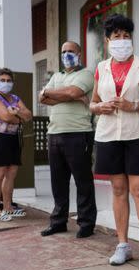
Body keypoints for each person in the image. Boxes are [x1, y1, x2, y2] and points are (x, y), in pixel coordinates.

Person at [90, 14, 139, 268]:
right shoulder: (101, 68)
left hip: (138, 134)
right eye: (116, 36)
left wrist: (133, 105)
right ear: (107, 39)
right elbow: (93, 101)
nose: (122, 40)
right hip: (109, 135)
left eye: (126, 36)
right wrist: (99, 108)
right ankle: (123, 244)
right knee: (118, 189)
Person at [38, 41, 97, 238]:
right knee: (58, 181)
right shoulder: (57, 75)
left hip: (78, 133)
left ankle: (86, 223)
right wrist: (68, 95)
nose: (67, 54)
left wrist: (54, 93)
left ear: (79, 53)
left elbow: (73, 92)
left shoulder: (86, 74)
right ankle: (58, 222)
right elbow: (42, 99)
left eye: (71, 51)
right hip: (54, 134)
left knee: (83, 181)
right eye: (63, 51)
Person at [0, 68, 32, 221]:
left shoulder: (15, 98)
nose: (6, 83)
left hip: (13, 139)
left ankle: (8, 207)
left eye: (8, 80)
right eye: (2, 80)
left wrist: (15, 112)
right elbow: (5, 116)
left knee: (11, 174)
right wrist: (17, 114)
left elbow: (28, 115)